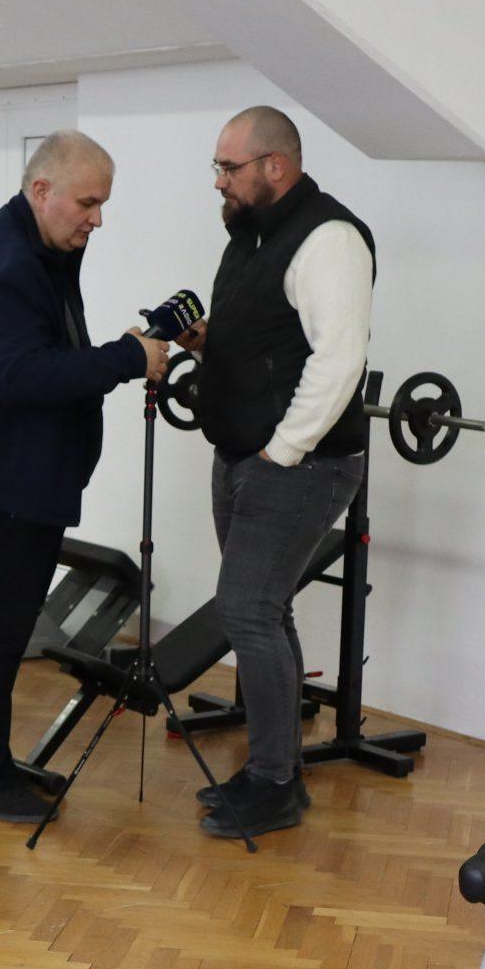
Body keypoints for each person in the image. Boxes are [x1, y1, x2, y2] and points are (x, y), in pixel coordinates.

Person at [0, 130, 168, 822]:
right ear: (41, 189)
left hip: (1, 474)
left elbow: (44, 347)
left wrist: (120, 349)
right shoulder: (8, 261)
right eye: (88, 202)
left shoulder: (34, 246)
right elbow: (20, 374)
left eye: (102, 204)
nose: (97, 219)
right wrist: (127, 358)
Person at [183, 105, 374, 840]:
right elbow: (272, 340)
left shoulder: (329, 238)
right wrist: (210, 343)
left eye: (228, 168)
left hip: (299, 464)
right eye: (218, 167)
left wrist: (281, 451)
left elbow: (339, 359)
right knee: (266, 611)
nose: (219, 182)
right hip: (244, 456)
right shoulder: (250, 235)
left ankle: (273, 786)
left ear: (276, 166)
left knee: (247, 611)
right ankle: (277, 768)